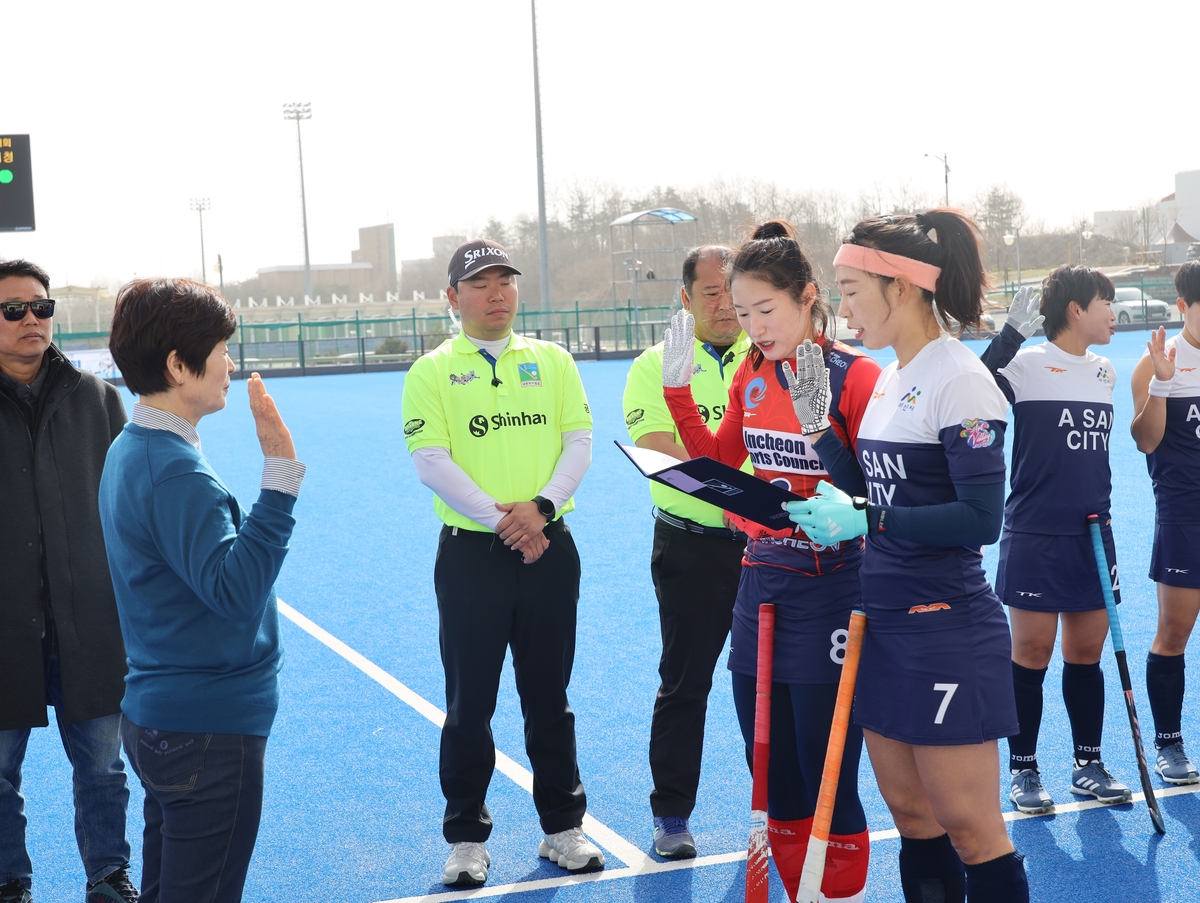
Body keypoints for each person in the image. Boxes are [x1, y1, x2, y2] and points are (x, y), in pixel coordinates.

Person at [789, 210, 1030, 902]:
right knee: (913, 816)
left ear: (900, 287)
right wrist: (819, 434)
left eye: (851, 290)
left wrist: (867, 515)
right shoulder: (891, 376)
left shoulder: (961, 379)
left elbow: (980, 518)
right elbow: (870, 491)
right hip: (885, 619)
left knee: (970, 825)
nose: (842, 311)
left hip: (945, 625)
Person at [661, 221, 879, 902]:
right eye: (743, 312)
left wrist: (848, 510)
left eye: (767, 310)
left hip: (833, 593)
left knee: (825, 771)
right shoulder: (752, 372)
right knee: (773, 772)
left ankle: (834, 890)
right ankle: (792, 890)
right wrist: (676, 396)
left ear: (808, 297)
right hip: (760, 590)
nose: (754, 327)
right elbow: (721, 465)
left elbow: (889, 493)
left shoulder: (856, 373)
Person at [401, 239, 603, 887]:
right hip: (472, 557)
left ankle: (562, 828)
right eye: (480, 283)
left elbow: (580, 441)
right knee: (470, 703)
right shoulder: (429, 372)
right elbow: (432, 461)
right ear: (452, 297)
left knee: (550, 696)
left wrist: (540, 508)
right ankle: (465, 837)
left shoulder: (554, 360)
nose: (496, 293)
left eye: (505, 281)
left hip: (549, 546)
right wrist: (506, 520)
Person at [99, 278, 304, 903]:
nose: (230, 364)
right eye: (220, 348)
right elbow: (235, 593)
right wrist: (279, 480)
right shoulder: (172, 468)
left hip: (164, 714)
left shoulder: (132, 448)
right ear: (177, 365)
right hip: (206, 726)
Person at [0, 259, 136, 903]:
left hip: (91, 620)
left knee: (104, 765)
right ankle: (8, 880)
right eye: (14, 310)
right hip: (4, 623)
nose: (32, 320)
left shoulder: (97, 398)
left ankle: (108, 875)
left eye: (41, 308)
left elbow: (128, 507)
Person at [975, 268, 1130, 814]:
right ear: (1074, 310)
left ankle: (1087, 763)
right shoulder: (1026, 365)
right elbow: (971, 383)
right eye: (1105, 301)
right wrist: (1010, 335)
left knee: (1086, 653)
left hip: (1093, 532)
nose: (1114, 311)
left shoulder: (1107, 371)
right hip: (1035, 533)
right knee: (1032, 653)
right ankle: (1023, 770)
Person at [621, 245, 751, 858]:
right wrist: (740, 494)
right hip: (691, 548)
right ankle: (671, 815)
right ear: (685, 300)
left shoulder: (770, 356)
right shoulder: (655, 365)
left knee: (769, 685)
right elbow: (659, 452)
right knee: (685, 684)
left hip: (764, 549)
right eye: (711, 295)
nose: (726, 306)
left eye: (734, 292)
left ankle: (780, 811)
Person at [1131, 259, 1200, 785]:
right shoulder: (1160, 362)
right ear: (1182, 307)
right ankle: (1168, 743)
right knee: (1174, 631)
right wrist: (1162, 384)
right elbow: (1146, 441)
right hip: (1185, 516)